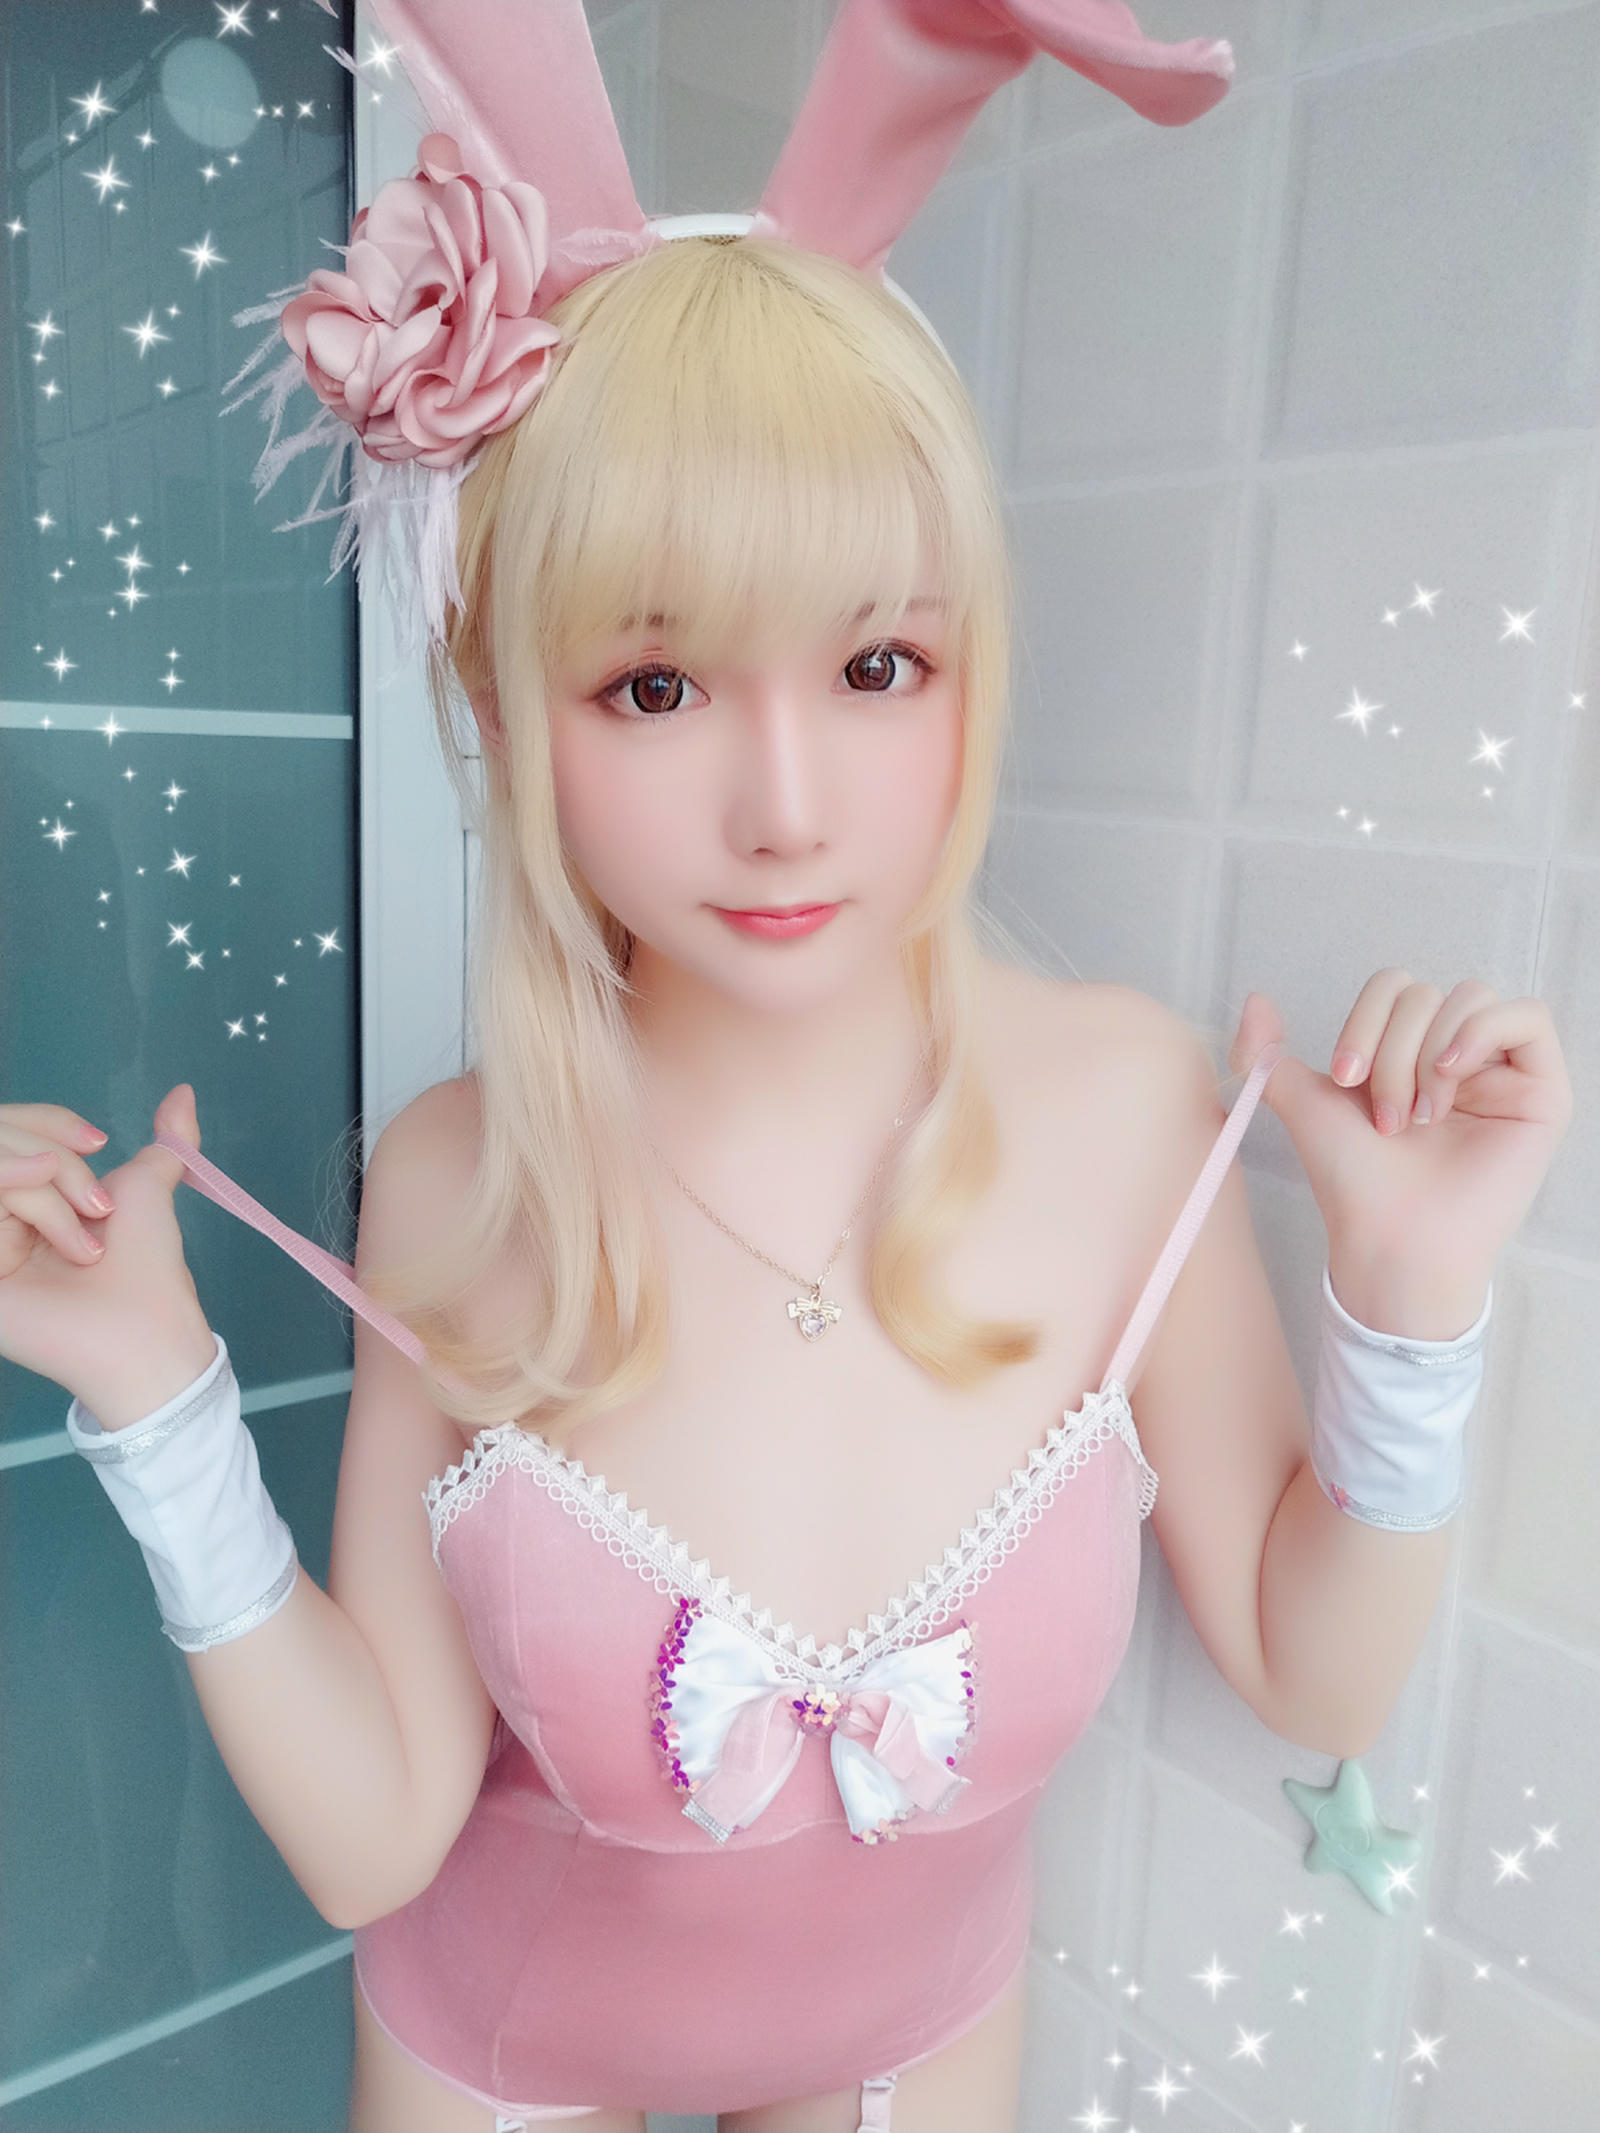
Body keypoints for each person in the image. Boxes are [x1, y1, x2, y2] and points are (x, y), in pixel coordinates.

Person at [0, 5, 1571, 2130]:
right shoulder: (467, 1171)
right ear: (506, 703)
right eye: (653, 683)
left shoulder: (1124, 1109)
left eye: (875, 664)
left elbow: (1317, 1665)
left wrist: (1411, 1306)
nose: (785, 806)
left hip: (919, 2038)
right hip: (504, 2044)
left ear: (971, 665)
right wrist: (154, 1398)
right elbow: (376, 1837)